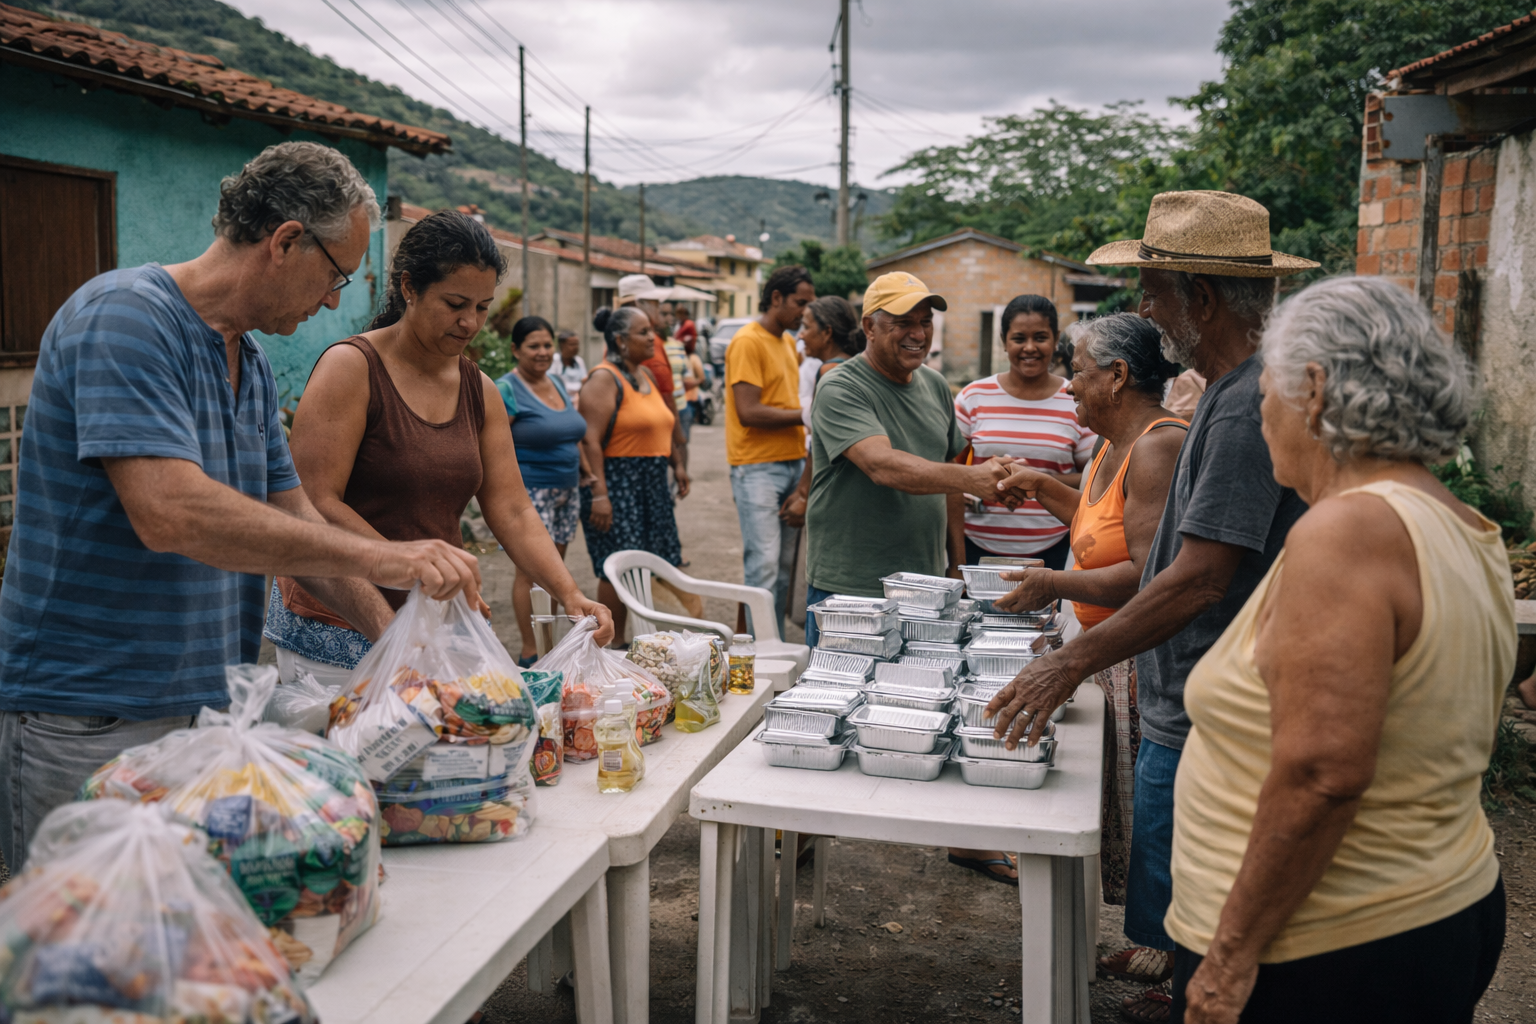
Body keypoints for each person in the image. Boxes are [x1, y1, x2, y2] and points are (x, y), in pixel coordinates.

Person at [0, 142, 484, 869]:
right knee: (94, 950)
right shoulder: (126, 319)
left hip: (204, 710)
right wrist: (389, 555)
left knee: (186, 944)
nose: (333, 300)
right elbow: (172, 512)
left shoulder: (248, 362)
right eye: (336, 275)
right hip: (90, 714)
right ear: (286, 241)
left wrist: (395, 645)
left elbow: (296, 524)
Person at [986, 190, 1315, 1023]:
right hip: (1189, 695)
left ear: (1199, 300)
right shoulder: (1227, 393)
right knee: (1190, 893)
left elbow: (1200, 577)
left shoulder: (1241, 408)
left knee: (1204, 904)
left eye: (1152, 289)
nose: (1143, 308)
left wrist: (1069, 661)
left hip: (1210, 701)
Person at [1169, 276, 1509, 1023]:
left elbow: (1324, 773)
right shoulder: (1460, 522)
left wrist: (1227, 959)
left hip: (1329, 949)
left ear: (1314, 392)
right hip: (1425, 908)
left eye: (1267, 396)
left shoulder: (1347, 531)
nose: (1261, 420)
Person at [266, 212, 612, 684]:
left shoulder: (480, 389)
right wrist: (415, 565)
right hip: (338, 626)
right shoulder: (351, 369)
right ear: (410, 287)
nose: (469, 322)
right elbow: (313, 504)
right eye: (454, 303)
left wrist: (569, 593)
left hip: (437, 616)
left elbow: (511, 508)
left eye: (483, 307)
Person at [802, 270, 1014, 883]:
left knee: (936, 715)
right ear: (869, 326)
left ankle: (966, 841)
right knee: (829, 717)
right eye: (901, 322)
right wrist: (970, 479)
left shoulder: (936, 388)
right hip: (851, 584)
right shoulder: (841, 385)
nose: (917, 333)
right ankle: (798, 840)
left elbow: (946, 472)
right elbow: (884, 466)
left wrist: (955, 560)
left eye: (925, 321)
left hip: (923, 586)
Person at [987, 313, 1186, 909]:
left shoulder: (1159, 446)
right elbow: (1102, 525)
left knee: (1149, 819)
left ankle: (1165, 953)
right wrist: (1044, 486)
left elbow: (1151, 578)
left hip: (1136, 656)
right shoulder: (1110, 444)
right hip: (1104, 657)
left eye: (1077, 372)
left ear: (1117, 376)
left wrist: (1052, 581)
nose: (1068, 385)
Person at [950, 295, 1097, 569]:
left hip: (1056, 548)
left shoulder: (1075, 397)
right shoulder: (973, 397)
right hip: (976, 549)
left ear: (1055, 340)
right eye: (1019, 338)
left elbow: (1095, 479)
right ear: (1003, 341)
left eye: (1040, 337)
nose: (1030, 348)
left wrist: (1041, 480)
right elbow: (951, 476)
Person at [579, 305, 690, 639]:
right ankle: (611, 644)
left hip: (651, 482)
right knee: (616, 568)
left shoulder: (647, 376)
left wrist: (678, 465)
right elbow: (589, 441)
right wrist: (600, 495)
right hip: (616, 483)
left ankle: (637, 643)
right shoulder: (603, 378)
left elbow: (661, 426)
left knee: (646, 564)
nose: (652, 338)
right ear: (620, 340)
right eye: (643, 332)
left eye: (651, 331)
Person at [725, 265, 816, 636]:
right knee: (762, 564)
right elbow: (748, 411)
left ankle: (770, 643)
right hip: (757, 466)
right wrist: (806, 414)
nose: (804, 312)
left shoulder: (786, 343)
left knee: (783, 566)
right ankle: (755, 651)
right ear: (776, 298)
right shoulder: (748, 341)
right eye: (800, 302)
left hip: (791, 462)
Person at [496, 316, 591, 667]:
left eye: (547, 345)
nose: (542, 352)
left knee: (555, 572)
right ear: (515, 350)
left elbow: (570, 433)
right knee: (531, 573)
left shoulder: (556, 382)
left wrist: (588, 473)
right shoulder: (506, 389)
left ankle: (549, 648)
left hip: (566, 491)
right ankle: (530, 650)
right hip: (531, 494)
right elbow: (493, 445)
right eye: (533, 346)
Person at [781, 295, 867, 525]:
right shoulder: (858, 364)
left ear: (827, 332)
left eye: (806, 327)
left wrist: (803, 493)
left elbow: (820, 446)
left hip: (834, 488)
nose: (800, 335)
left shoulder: (830, 372)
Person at [551, 329, 587, 404]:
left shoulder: (579, 361)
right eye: (572, 344)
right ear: (562, 345)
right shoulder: (554, 360)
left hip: (578, 399)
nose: (576, 347)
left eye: (577, 344)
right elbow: (552, 383)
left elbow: (584, 381)